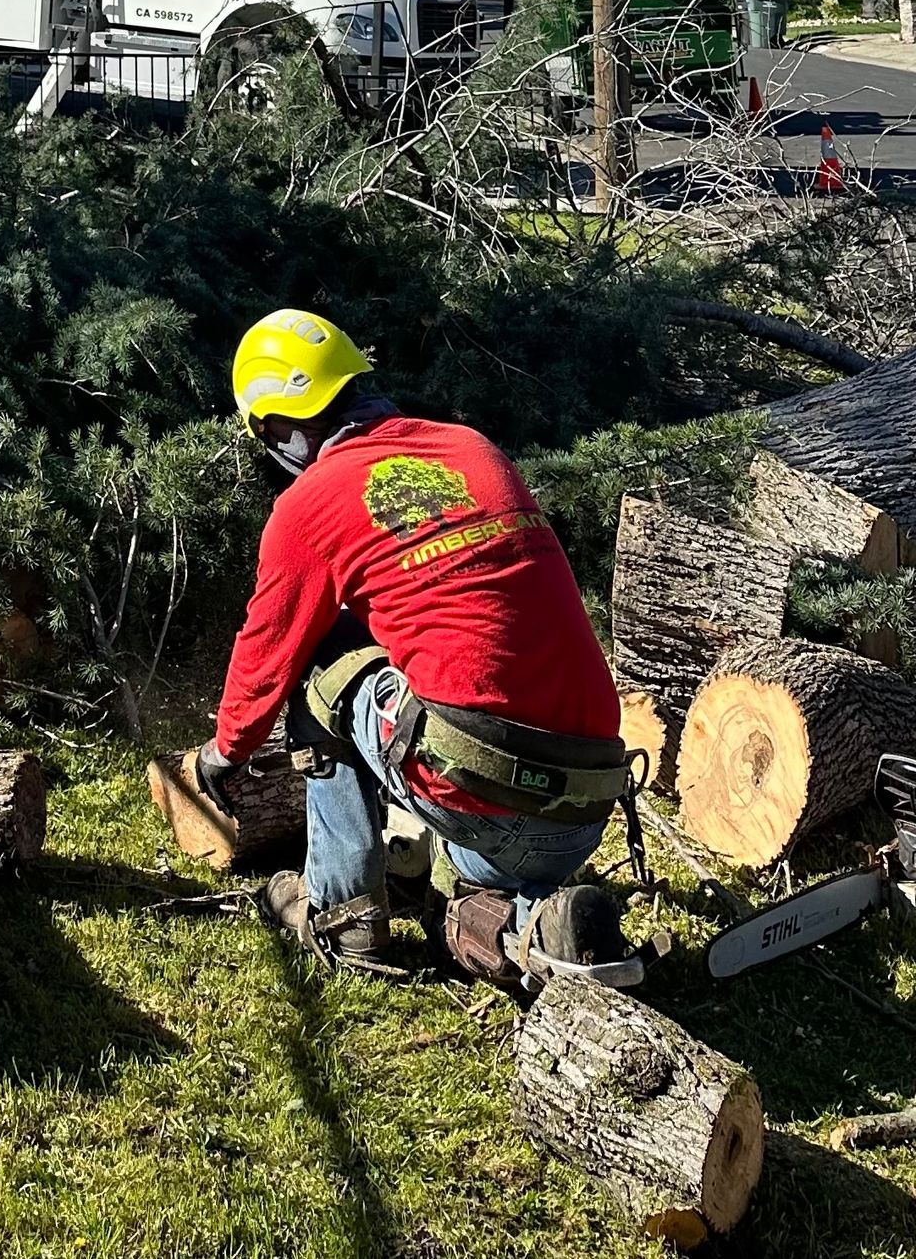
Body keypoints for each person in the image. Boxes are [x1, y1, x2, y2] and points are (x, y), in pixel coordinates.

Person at [191, 308, 636, 980]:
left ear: (282, 427)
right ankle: (532, 926)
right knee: (458, 902)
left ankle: (344, 918)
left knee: (324, 666)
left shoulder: (310, 504)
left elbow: (266, 654)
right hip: (585, 803)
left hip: (490, 802)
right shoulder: (471, 447)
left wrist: (221, 754)